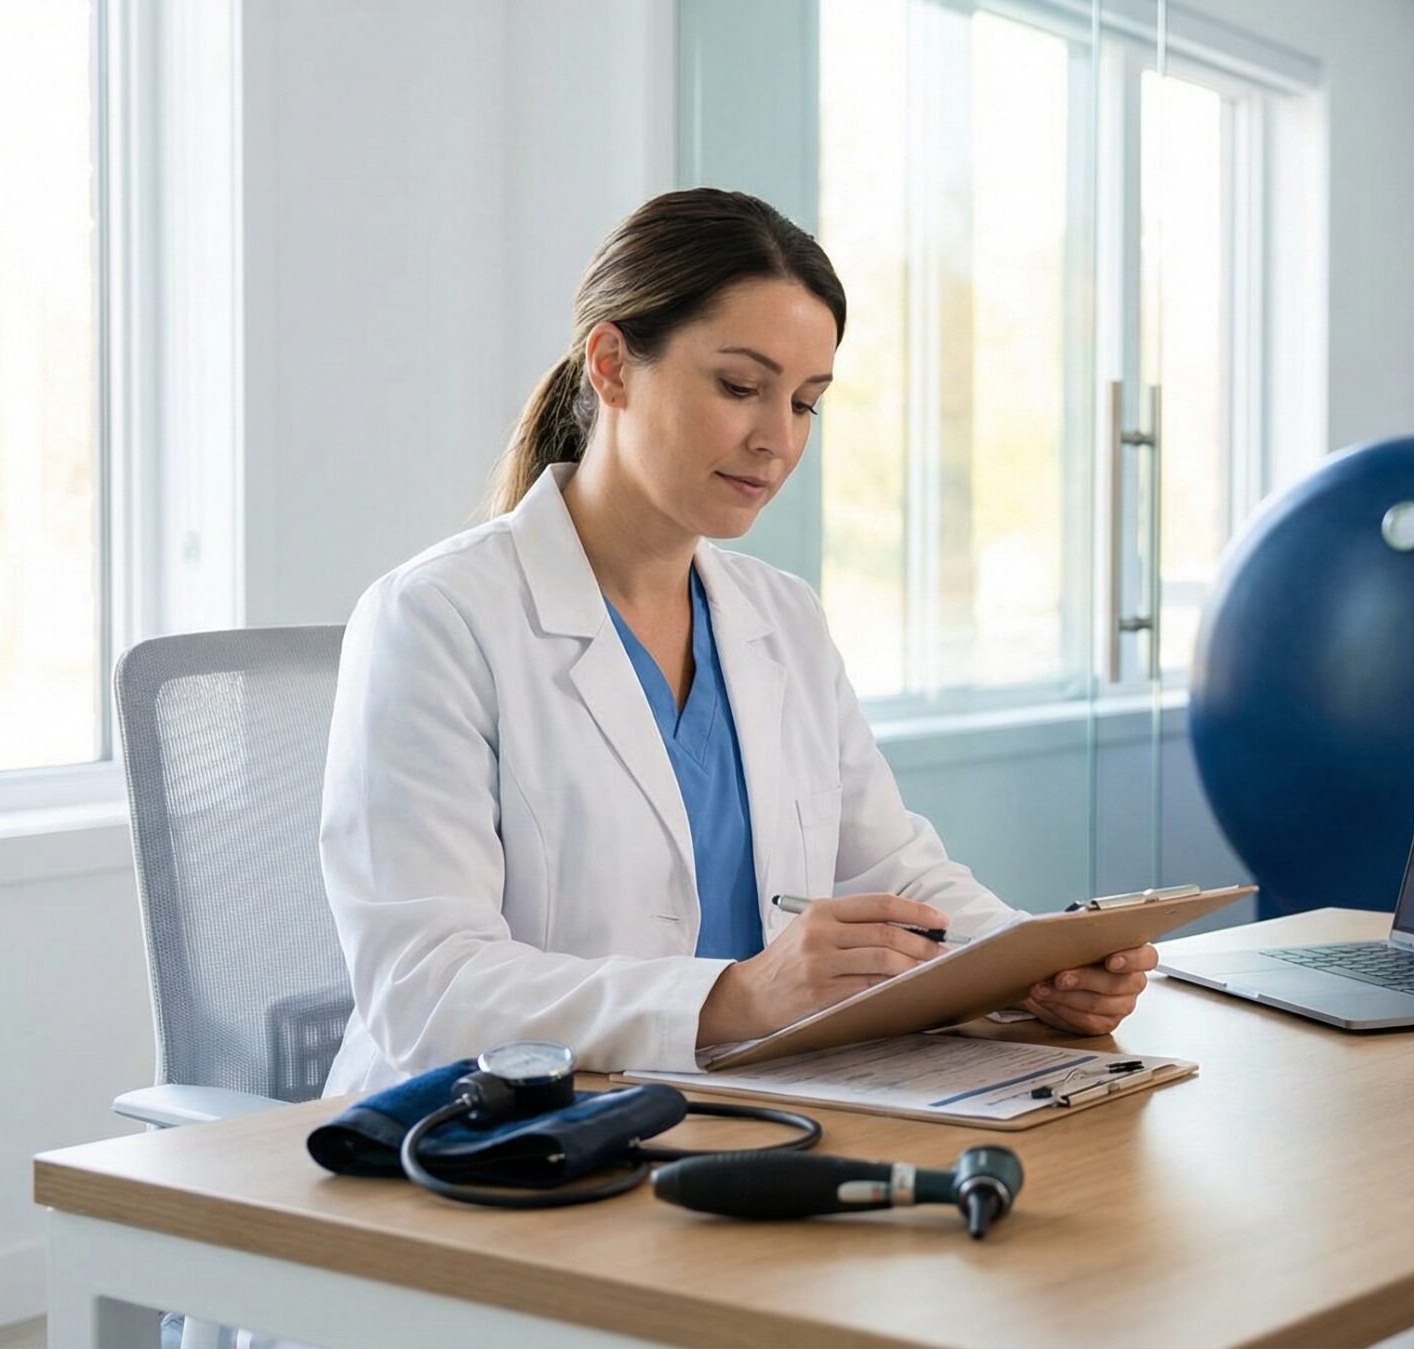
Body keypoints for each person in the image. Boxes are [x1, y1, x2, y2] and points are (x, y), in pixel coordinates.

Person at [318, 189, 1159, 1095]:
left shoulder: (781, 618)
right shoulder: (436, 618)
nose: (777, 440)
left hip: (727, 1114)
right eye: (739, 386)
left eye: (805, 403)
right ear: (611, 364)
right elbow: (425, 987)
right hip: (484, 1141)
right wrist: (737, 995)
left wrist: (1030, 967)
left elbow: (891, 870)